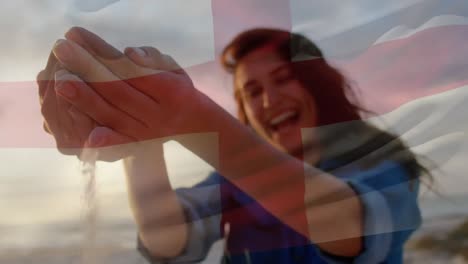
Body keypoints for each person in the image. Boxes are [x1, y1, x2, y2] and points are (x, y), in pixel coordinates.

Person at [38, 27, 428, 263]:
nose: (269, 100)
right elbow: (169, 241)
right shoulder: (232, 180)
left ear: (318, 82)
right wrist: (142, 140)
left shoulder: (381, 159)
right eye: (252, 91)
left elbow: (353, 225)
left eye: (283, 79)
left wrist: (190, 119)